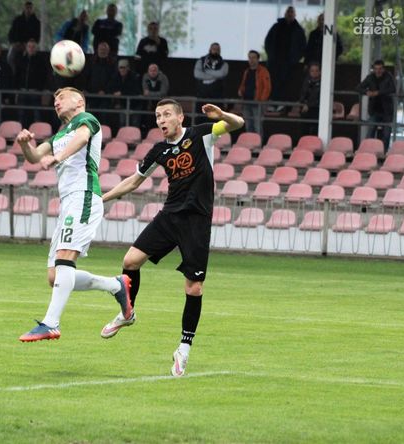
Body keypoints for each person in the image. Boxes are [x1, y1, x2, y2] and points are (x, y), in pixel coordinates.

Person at [101, 98, 244, 376]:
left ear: (180, 118)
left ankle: (184, 349)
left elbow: (237, 123)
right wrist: (102, 199)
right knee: (130, 261)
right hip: (170, 217)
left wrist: (221, 115)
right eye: (158, 116)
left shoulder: (201, 134)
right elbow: (134, 181)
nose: (161, 120)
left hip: (196, 221)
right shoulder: (159, 151)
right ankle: (127, 313)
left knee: (194, 288)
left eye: (166, 114)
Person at [16, 87, 133, 342]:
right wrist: (25, 144)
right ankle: (116, 285)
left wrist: (57, 157)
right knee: (54, 276)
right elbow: (35, 157)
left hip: (84, 195)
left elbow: (81, 138)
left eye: (61, 97)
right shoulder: (60, 134)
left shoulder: (86, 120)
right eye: (54, 98)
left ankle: (50, 324)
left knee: (65, 258)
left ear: (79, 101)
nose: (56, 102)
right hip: (68, 202)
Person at [264, 6, 306, 111]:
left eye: (292, 12)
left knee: (285, 82)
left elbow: (303, 47)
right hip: (274, 61)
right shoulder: (276, 27)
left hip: (289, 62)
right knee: (272, 81)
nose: (290, 14)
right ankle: (272, 103)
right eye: (288, 12)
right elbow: (268, 42)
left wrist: (295, 59)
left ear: (295, 15)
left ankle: (281, 104)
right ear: (285, 13)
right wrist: (270, 55)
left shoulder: (298, 30)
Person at [356, 60, 396, 148]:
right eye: (376, 69)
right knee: (371, 130)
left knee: (386, 134)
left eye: (380, 69)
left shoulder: (388, 77)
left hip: (387, 111)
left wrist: (378, 93)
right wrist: (366, 92)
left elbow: (393, 89)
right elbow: (358, 87)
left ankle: (383, 153)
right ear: (373, 69)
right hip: (374, 110)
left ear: (383, 69)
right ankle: (367, 150)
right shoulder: (370, 77)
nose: (378, 71)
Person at [15, 39, 49, 127]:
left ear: (36, 48)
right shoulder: (21, 60)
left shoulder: (41, 61)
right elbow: (17, 75)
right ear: (26, 48)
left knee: (37, 114)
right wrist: (17, 88)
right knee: (21, 114)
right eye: (29, 46)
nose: (31, 49)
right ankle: (21, 131)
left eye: (33, 47)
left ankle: (38, 132)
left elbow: (44, 76)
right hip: (22, 90)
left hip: (35, 91)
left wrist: (41, 89)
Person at [237, 50, 271, 134]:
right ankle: (250, 141)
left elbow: (267, 88)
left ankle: (258, 142)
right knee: (248, 125)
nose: (251, 60)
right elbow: (243, 84)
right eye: (250, 58)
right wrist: (240, 91)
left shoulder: (263, 71)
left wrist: (261, 101)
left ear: (258, 59)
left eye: (254, 58)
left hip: (257, 103)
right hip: (246, 102)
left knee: (257, 126)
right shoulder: (247, 71)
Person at [7, 1, 41, 73]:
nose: (28, 10)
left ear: (32, 9)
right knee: (10, 57)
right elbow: (11, 33)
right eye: (27, 8)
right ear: (24, 8)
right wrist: (13, 43)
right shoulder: (17, 20)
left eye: (30, 8)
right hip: (17, 44)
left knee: (30, 58)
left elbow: (37, 37)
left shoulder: (36, 22)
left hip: (29, 45)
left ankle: (27, 73)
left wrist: (28, 44)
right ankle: (12, 73)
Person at [108, 58, 142, 129]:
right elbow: (111, 88)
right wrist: (115, 94)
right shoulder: (115, 77)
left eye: (124, 67)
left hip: (135, 104)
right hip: (122, 104)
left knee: (134, 123)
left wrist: (121, 93)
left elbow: (136, 91)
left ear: (128, 68)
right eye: (120, 67)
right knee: (122, 122)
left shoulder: (134, 77)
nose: (122, 69)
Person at [142, 63, 170, 131]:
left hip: (161, 105)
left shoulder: (163, 77)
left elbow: (163, 93)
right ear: (148, 71)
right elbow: (145, 92)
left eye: (154, 70)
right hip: (148, 105)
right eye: (151, 70)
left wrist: (150, 93)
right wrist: (154, 94)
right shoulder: (145, 77)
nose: (153, 72)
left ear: (158, 71)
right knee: (147, 122)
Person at [299, 62, 321, 135]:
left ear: (320, 72)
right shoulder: (306, 82)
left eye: (316, 71)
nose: (314, 73)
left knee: (315, 131)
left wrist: (308, 105)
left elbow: (318, 98)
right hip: (305, 110)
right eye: (312, 71)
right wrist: (303, 104)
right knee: (304, 130)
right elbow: (302, 95)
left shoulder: (323, 83)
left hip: (317, 110)